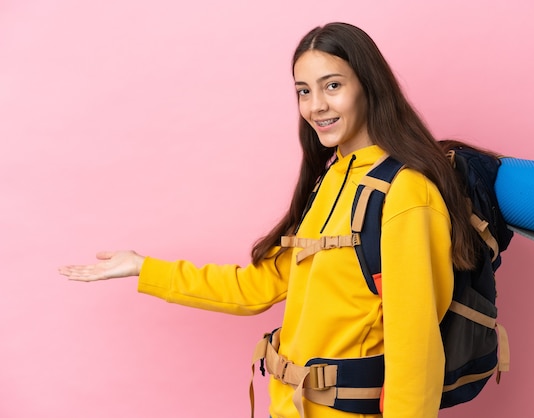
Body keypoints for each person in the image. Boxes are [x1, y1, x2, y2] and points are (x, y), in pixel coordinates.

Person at [59, 22, 479, 418]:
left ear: (368, 88)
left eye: (332, 86)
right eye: (303, 91)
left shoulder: (406, 191)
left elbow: (416, 348)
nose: (316, 106)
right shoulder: (330, 178)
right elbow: (256, 286)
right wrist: (142, 267)